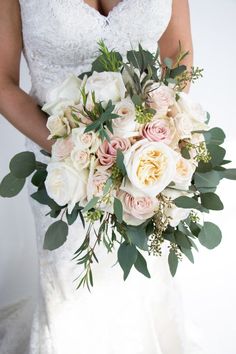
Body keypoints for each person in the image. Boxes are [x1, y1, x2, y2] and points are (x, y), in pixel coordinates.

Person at [0, 1, 199, 353]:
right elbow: (2, 82)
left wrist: (155, 127)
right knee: (73, 291)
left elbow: (176, 51)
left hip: (145, 157)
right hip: (59, 166)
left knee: (144, 282)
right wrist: (80, 153)